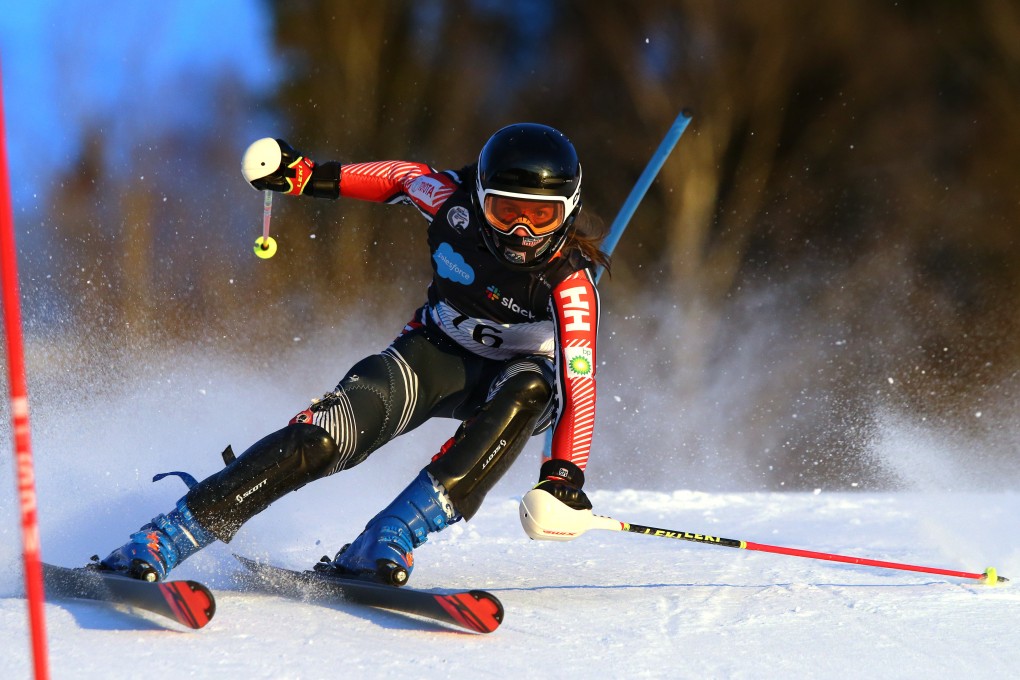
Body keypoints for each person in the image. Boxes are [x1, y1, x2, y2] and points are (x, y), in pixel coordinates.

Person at [96, 123, 607, 586]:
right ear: (479, 198)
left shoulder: (572, 287)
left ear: (570, 211)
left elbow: (578, 387)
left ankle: (389, 537)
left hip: (513, 382)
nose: (523, 233)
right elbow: (398, 177)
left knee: (534, 385)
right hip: (435, 354)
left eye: (542, 217)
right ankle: (169, 535)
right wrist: (305, 176)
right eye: (506, 211)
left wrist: (563, 478)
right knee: (325, 435)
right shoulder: (451, 203)